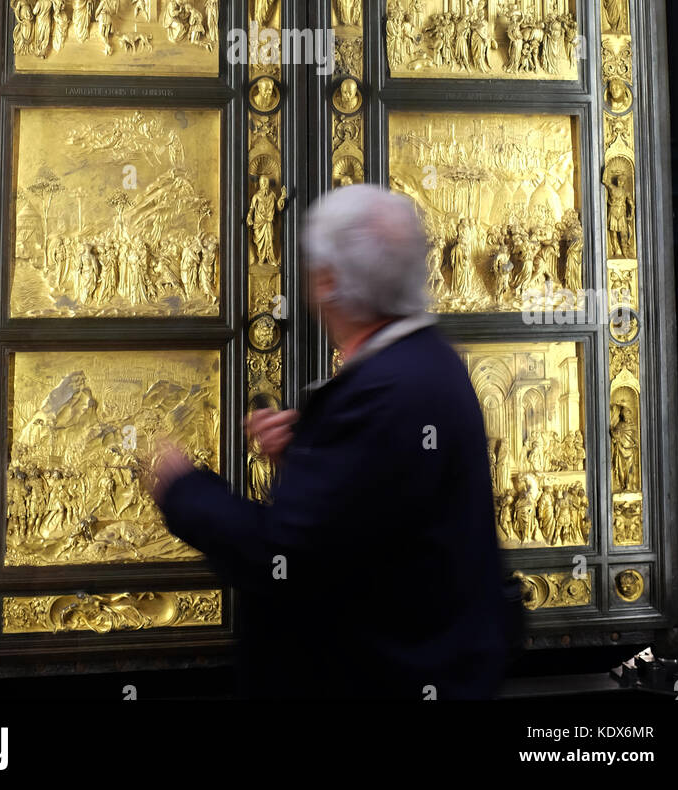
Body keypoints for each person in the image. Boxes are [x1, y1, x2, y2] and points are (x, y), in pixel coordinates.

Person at [153, 183, 507, 700]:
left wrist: (186, 491)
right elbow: (375, 515)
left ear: (327, 282)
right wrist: (306, 456)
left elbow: (287, 559)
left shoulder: (387, 390)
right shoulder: (428, 362)